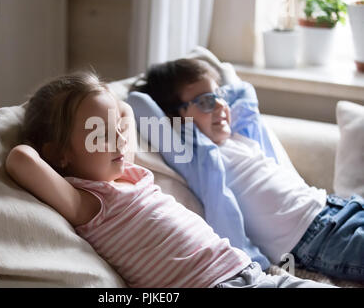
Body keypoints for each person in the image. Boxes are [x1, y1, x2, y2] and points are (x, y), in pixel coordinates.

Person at [5, 71, 332, 288]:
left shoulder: (127, 169)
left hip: (249, 273)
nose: (120, 139)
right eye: (100, 133)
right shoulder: (87, 201)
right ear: (60, 153)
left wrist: (101, 106)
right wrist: (49, 146)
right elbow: (21, 158)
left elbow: (126, 111)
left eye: (117, 130)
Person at [127, 56, 364, 283]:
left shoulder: (240, 134)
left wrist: (211, 96)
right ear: (176, 116)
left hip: (336, 206)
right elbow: (139, 103)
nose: (220, 105)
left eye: (219, 96)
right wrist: (176, 113)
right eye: (206, 102)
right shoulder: (195, 155)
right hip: (314, 239)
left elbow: (244, 91)